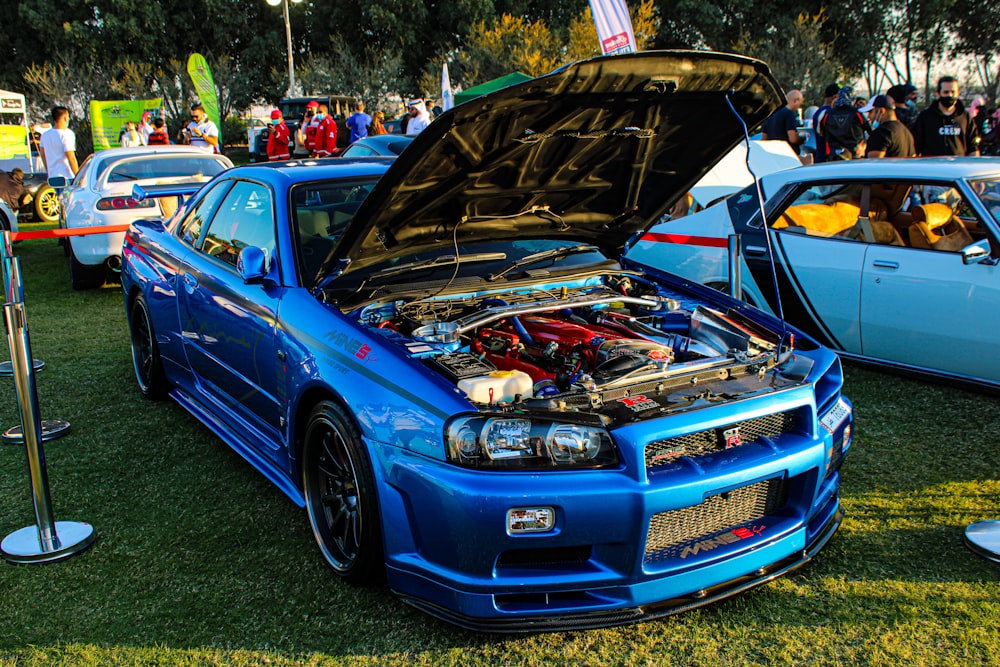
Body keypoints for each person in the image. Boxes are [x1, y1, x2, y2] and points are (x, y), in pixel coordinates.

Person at [912, 76, 980, 156]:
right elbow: (915, 146)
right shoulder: (925, 117)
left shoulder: (965, 117)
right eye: (946, 92)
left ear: (958, 93)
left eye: (953, 92)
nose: (950, 95)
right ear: (938, 94)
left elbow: (973, 147)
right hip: (933, 166)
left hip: (959, 165)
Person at [818, 86, 868, 160]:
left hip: (833, 154)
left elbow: (820, 132)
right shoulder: (857, 113)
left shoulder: (827, 114)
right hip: (855, 154)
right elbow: (870, 130)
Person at [39, 106, 78, 179]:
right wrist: (78, 176)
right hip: (66, 176)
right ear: (65, 118)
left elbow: (42, 155)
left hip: (52, 177)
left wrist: (49, 170)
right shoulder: (67, 134)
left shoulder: (44, 135)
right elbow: (71, 158)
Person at [812, 84, 840, 163]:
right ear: (834, 97)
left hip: (820, 157)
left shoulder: (818, 112)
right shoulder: (829, 114)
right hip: (827, 158)